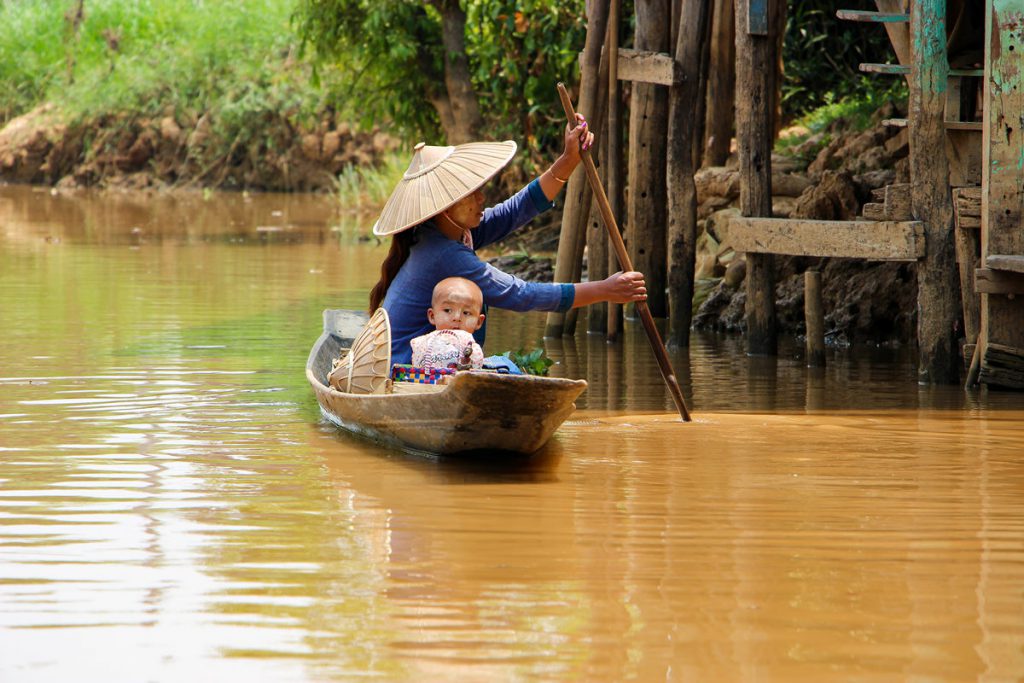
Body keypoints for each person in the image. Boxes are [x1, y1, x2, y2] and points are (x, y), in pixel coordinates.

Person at [368, 114, 647, 364]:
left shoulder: (450, 231)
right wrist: (605, 291)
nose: (482, 198)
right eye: (471, 194)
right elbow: (520, 295)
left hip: (435, 361)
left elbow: (514, 211)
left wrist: (568, 159)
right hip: (405, 369)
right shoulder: (442, 252)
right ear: (446, 207)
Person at [410, 277, 485, 371]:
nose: (457, 318)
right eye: (448, 310)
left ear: (478, 322)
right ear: (432, 316)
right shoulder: (422, 344)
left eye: (466, 313)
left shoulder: (473, 350)